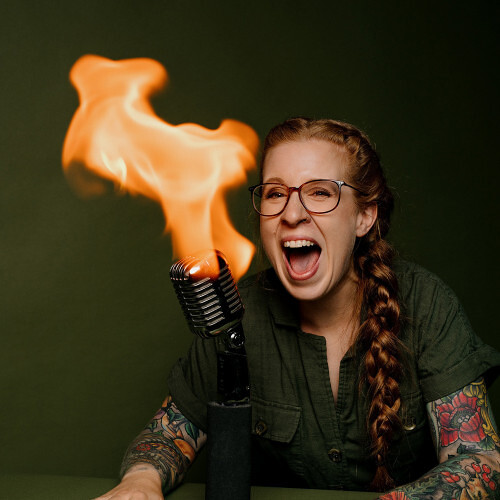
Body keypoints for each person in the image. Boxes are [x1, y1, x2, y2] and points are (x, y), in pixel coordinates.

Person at [96, 117, 500, 499]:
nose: (291, 214)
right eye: (275, 193)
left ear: (364, 216)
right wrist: (141, 481)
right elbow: (167, 436)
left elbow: (479, 461)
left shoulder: (426, 304)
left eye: (320, 192)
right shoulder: (238, 316)